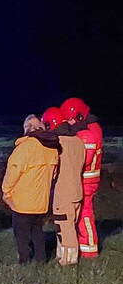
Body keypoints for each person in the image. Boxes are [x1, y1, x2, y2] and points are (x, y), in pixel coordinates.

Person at [2, 114, 60, 264]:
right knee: (37, 232)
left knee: (21, 235)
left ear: (27, 129)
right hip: (41, 202)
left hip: (22, 202)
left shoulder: (25, 148)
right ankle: (41, 260)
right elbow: (53, 175)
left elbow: (12, 173)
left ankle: (24, 261)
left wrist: (6, 192)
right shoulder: (52, 148)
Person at [61, 97, 103, 258]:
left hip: (86, 181)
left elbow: (80, 160)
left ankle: (90, 250)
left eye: (71, 119)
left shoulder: (86, 135)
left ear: (79, 116)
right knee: (82, 213)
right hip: (87, 179)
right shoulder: (91, 127)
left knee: (85, 214)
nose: (69, 123)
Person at [43, 106, 84, 266]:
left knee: (65, 228)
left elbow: (53, 169)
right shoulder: (78, 141)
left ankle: (68, 261)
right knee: (69, 225)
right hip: (77, 191)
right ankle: (62, 256)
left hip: (63, 193)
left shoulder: (58, 144)